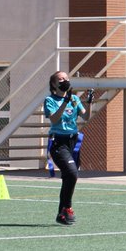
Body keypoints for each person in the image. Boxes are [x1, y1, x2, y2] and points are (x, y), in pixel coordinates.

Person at [44, 70, 93, 225]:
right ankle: (68, 207)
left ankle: (62, 213)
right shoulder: (50, 100)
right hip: (58, 142)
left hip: (73, 142)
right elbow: (54, 119)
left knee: (68, 177)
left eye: (66, 78)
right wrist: (65, 102)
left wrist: (89, 102)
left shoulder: (74, 99)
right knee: (72, 173)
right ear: (54, 84)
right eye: (60, 79)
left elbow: (86, 116)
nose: (65, 81)